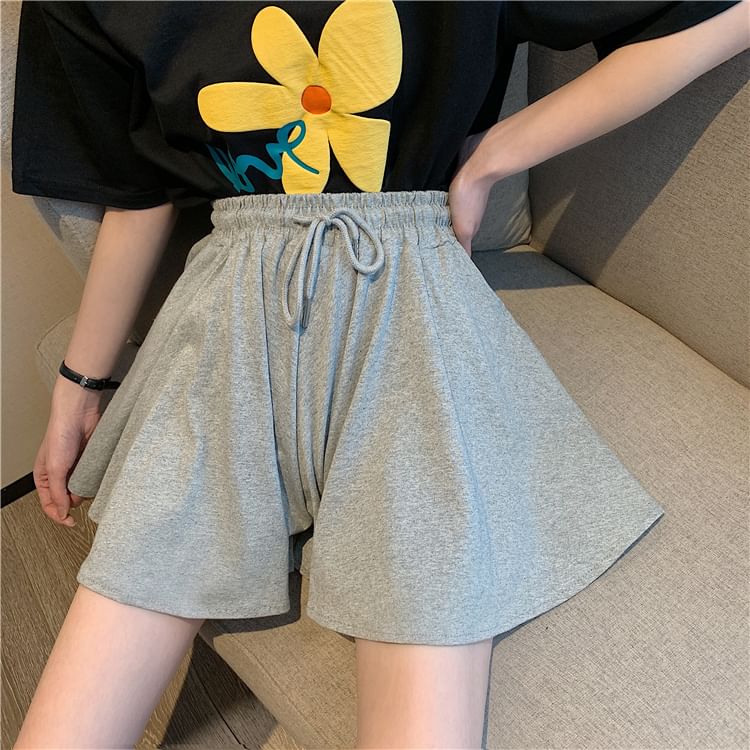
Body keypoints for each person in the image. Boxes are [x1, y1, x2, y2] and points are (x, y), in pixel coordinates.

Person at [10, 1, 748, 747]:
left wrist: (497, 152)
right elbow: (135, 195)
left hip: (412, 312)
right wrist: (80, 384)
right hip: (226, 322)